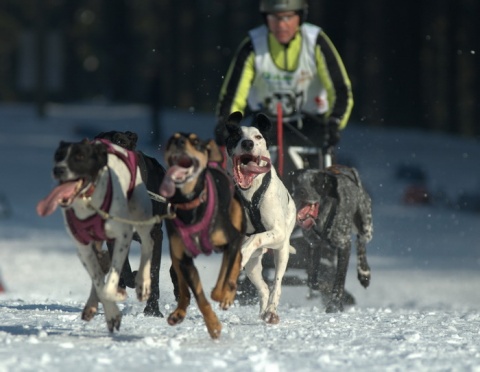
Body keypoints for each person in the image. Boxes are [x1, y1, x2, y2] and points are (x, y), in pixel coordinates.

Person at [215, 0, 353, 177]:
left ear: (300, 17)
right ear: (266, 19)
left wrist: (335, 122)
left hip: (312, 124)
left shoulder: (315, 42)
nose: (281, 24)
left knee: (319, 172)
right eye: (275, 18)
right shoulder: (253, 45)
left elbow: (341, 91)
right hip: (266, 122)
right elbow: (233, 96)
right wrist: (228, 124)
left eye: (288, 17)